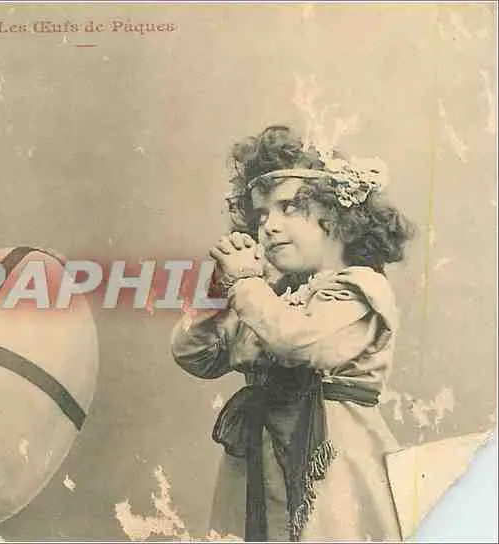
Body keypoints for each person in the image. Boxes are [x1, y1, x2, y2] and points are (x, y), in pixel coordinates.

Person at [170, 125, 415, 541]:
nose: (269, 226)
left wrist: (246, 285)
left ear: (338, 217)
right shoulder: (268, 297)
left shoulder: (359, 287)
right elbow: (195, 356)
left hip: (332, 465)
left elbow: (298, 343)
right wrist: (218, 293)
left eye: (288, 208)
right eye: (261, 215)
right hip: (261, 461)